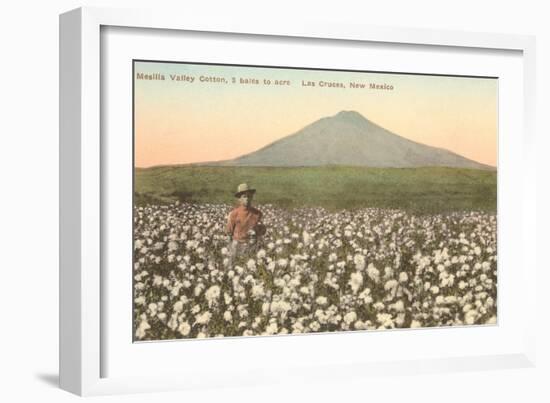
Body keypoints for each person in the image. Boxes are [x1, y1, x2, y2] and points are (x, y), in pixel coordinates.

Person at [226, 183, 266, 265]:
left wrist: (259, 230)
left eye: (249, 196)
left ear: (252, 197)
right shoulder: (234, 214)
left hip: (252, 246)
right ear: (239, 199)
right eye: (244, 196)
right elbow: (229, 233)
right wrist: (230, 249)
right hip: (237, 246)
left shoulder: (257, 214)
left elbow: (262, 231)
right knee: (233, 267)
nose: (247, 198)